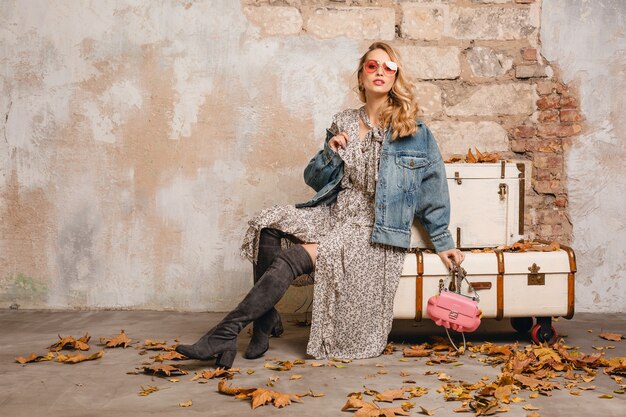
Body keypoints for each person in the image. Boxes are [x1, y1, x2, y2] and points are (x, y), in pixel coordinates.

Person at [176, 41, 464, 368]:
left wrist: (442, 242)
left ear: (396, 77)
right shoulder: (342, 121)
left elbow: (433, 188)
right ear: (361, 77)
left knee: (295, 256)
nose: (380, 71)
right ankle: (264, 321)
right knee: (268, 222)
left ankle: (225, 333)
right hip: (335, 212)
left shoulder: (412, 130)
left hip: (373, 228)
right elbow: (313, 178)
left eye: (389, 67)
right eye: (373, 66)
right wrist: (330, 152)